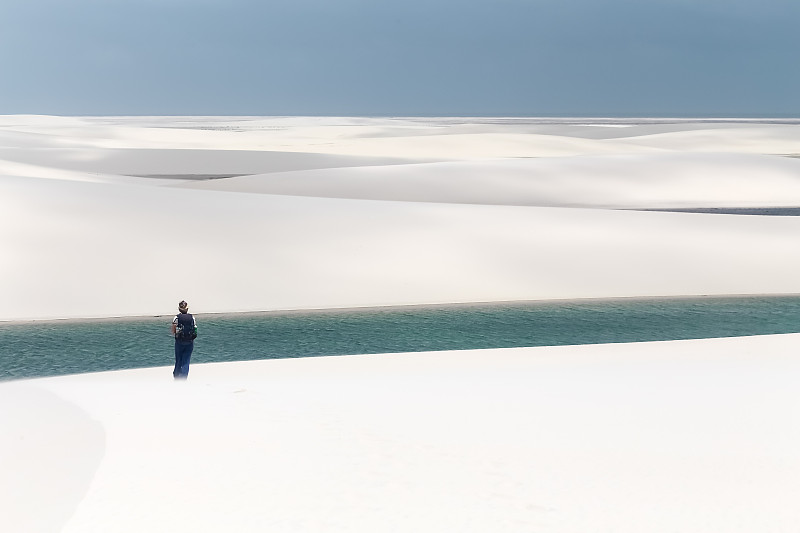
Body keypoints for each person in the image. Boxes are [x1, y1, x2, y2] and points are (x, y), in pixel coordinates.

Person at [171, 300, 197, 379]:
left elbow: (173, 331)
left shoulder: (176, 318)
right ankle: (183, 377)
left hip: (179, 341)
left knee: (178, 359)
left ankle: (176, 376)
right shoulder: (192, 317)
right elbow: (195, 329)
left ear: (179, 309)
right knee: (186, 360)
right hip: (189, 342)